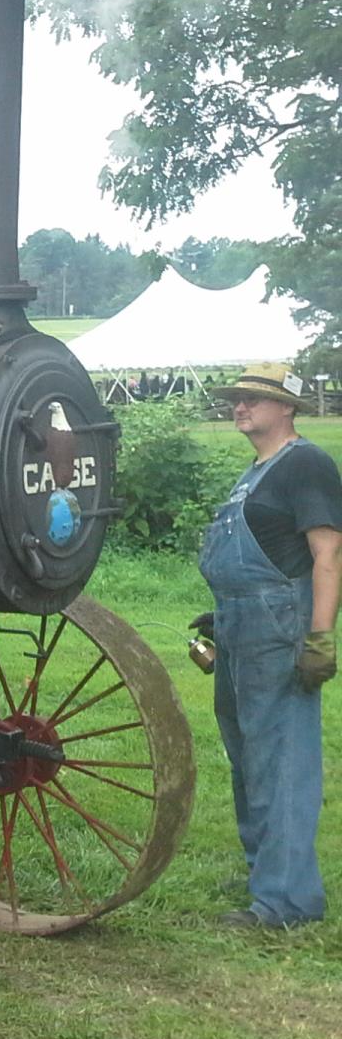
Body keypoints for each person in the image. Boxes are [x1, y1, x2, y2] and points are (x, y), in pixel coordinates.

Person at [195, 361, 342, 930]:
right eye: (237, 398)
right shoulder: (255, 472)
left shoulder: (306, 464)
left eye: (254, 399)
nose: (240, 406)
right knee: (247, 752)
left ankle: (287, 903)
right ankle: (268, 873)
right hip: (242, 624)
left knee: (281, 756)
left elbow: (327, 556)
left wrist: (321, 637)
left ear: (287, 408)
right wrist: (224, 612)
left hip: (280, 625)